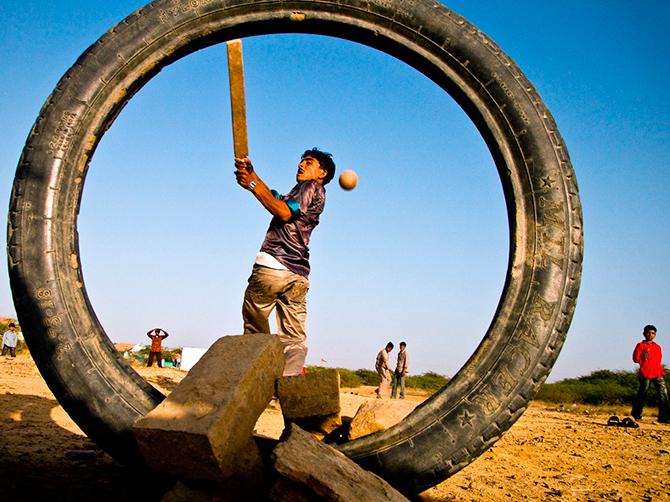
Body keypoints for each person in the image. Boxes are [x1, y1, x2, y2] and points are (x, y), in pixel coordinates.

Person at [235, 149, 335, 377]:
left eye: (308, 162)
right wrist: (253, 177)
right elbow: (276, 200)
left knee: (254, 331)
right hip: (298, 277)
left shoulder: (309, 186)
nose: (300, 165)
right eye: (300, 162)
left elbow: (282, 212)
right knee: (295, 340)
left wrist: (252, 185)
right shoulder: (316, 193)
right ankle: (290, 382)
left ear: (322, 172)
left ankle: (258, 377)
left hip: (272, 266)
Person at [631, 324, 670, 423]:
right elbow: (635, 359)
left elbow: (659, 359)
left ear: (655, 335)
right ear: (644, 334)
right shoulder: (641, 345)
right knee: (643, 393)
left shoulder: (657, 347)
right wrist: (645, 362)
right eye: (648, 333)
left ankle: (664, 417)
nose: (650, 335)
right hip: (646, 372)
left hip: (657, 372)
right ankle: (636, 414)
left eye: (652, 333)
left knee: (663, 393)